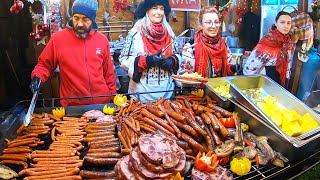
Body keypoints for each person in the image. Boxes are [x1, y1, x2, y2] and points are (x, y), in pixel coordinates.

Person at [30, 0, 117, 106]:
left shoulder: (102, 40)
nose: (80, 23)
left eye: (85, 19)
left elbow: (109, 74)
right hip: (73, 107)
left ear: (93, 20)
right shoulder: (58, 39)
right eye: (76, 18)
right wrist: (37, 76)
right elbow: (44, 65)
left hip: (102, 105)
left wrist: (113, 100)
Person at [119, 0, 181, 102]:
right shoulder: (135, 34)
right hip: (140, 96)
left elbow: (177, 55)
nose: (159, 12)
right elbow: (123, 60)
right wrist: (146, 61)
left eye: (162, 9)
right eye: (155, 8)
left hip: (167, 95)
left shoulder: (170, 34)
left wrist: (173, 61)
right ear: (147, 10)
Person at [179, 6, 237, 78]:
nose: (213, 26)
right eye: (209, 22)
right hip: (198, 88)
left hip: (219, 88)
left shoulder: (224, 46)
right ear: (200, 25)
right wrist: (187, 76)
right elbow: (184, 74)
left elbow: (227, 69)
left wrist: (233, 68)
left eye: (216, 22)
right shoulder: (191, 47)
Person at [243, 11, 294, 86]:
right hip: (265, 84)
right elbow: (249, 69)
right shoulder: (267, 43)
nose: (286, 26)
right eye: (282, 22)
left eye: (288, 23)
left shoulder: (288, 42)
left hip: (280, 82)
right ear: (276, 23)